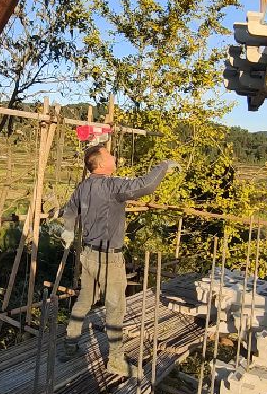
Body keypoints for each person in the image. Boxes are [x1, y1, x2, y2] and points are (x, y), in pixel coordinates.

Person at [59, 145, 180, 376]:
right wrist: (163, 166)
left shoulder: (84, 186)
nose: (114, 156)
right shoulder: (112, 186)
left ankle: (70, 345)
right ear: (101, 164)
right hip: (108, 259)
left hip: (88, 255)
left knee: (84, 300)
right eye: (109, 154)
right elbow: (145, 185)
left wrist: (67, 230)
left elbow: (70, 210)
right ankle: (115, 361)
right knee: (115, 309)